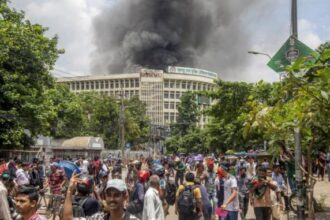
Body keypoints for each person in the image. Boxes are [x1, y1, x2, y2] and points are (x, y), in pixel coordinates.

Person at [63, 175, 138, 220]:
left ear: (125, 196)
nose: (112, 199)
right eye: (109, 195)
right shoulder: (98, 218)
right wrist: (69, 191)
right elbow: (68, 218)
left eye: (116, 195)